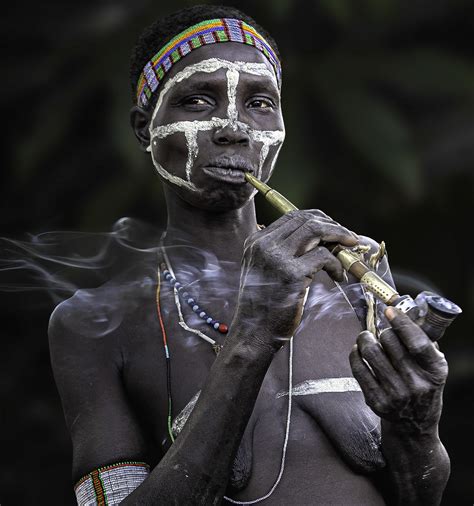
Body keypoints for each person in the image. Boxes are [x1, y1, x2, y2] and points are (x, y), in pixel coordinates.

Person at [48, 5, 450, 505]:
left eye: (260, 102)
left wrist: (418, 425)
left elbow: (418, 495)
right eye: (196, 101)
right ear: (144, 128)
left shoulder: (355, 282)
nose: (233, 128)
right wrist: (253, 334)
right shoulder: (94, 325)